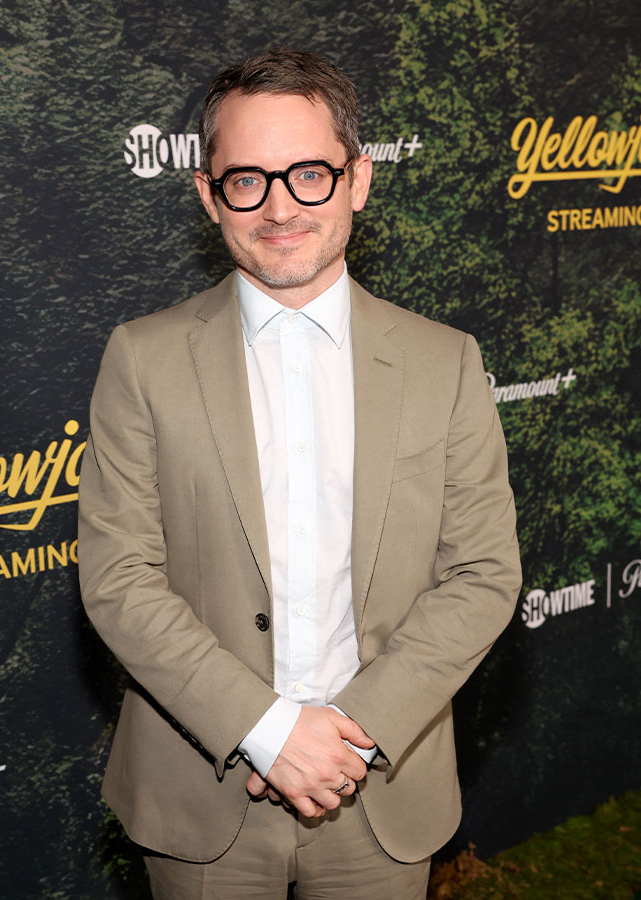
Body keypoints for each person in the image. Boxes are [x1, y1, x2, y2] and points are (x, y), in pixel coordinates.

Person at [78, 47, 522, 900]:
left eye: (309, 173)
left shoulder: (446, 362)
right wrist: (268, 730)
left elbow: (482, 575)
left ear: (358, 179)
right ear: (210, 197)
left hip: (380, 789)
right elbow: (118, 577)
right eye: (247, 178)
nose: (280, 206)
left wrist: (347, 736)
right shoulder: (142, 358)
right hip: (201, 795)